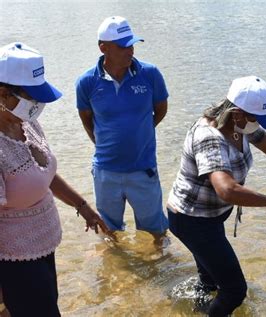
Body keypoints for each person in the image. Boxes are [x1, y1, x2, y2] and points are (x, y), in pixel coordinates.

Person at [167, 75, 266, 316]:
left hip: (210, 217)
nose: (257, 123)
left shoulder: (239, 125)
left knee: (209, 282)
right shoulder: (209, 136)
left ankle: (196, 310)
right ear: (237, 113)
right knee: (235, 290)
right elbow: (226, 189)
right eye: (255, 117)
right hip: (191, 220)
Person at [0, 43, 110, 316]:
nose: (39, 104)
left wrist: (81, 205)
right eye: (32, 97)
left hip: (42, 248)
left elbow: (42, 173)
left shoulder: (26, 122)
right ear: (3, 94)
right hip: (14, 260)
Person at [75, 16, 169, 246]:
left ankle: (157, 272)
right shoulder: (86, 82)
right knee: (108, 232)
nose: (130, 51)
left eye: (132, 44)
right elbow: (86, 118)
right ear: (103, 47)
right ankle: (115, 276)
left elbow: (161, 109)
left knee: (157, 233)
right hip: (106, 172)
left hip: (143, 169)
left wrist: (140, 131)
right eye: (123, 46)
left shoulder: (150, 74)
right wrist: (104, 143)